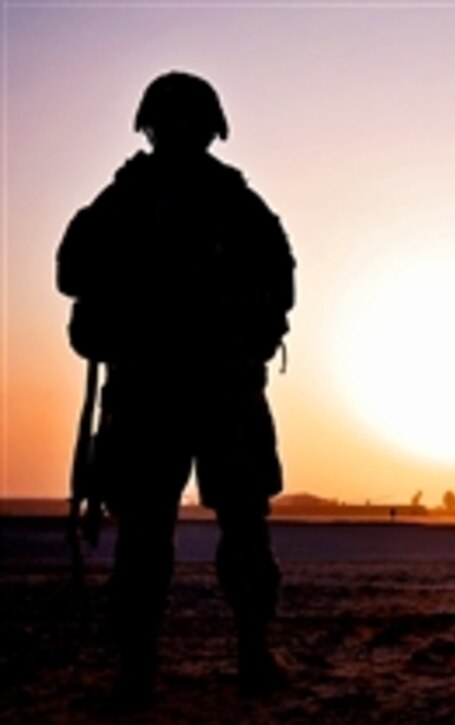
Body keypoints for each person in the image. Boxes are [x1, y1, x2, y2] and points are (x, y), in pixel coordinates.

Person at [56, 71, 295, 706]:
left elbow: (71, 271)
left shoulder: (133, 197)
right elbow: (282, 284)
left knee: (167, 533)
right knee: (213, 529)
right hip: (205, 393)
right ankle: (235, 661)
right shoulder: (214, 198)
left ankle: (154, 671)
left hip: (168, 394)